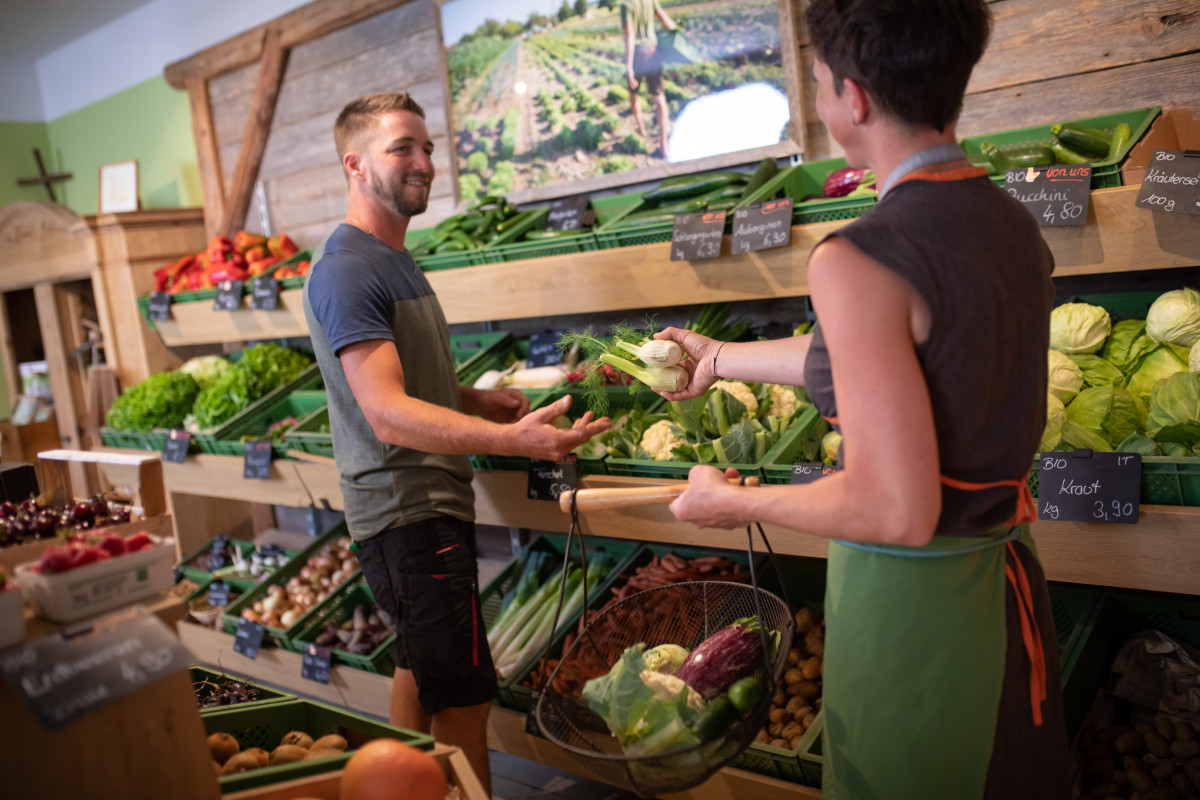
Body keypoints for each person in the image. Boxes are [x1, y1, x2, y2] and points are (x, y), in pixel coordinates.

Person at [653, 1, 1072, 797]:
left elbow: (894, 509)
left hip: (921, 617)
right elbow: (899, 357)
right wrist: (724, 358)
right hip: (1004, 586)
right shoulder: (1011, 222)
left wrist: (736, 504)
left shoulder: (858, 255)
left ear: (856, 99)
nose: (819, 100)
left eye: (815, 83)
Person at [302, 92, 610, 796]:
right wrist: (513, 438)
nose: (423, 162)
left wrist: (477, 400)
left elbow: (400, 382)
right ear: (355, 164)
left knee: (422, 673)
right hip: (408, 512)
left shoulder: (390, 257)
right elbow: (385, 415)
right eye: (401, 148)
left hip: (419, 508)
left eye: (427, 147)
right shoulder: (350, 268)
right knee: (464, 700)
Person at [621, 0, 676, 158]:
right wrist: (679, 35)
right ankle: (664, 145)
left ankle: (640, 128)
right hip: (653, 52)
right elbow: (666, 21)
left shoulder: (626, 5)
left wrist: (629, 65)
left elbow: (630, 35)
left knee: (633, 95)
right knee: (659, 98)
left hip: (638, 56)